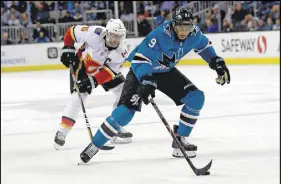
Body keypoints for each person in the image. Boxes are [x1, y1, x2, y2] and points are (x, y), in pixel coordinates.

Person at [79, 8, 231, 163]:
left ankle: (180, 141)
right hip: (142, 70)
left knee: (196, 98)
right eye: (180, 27)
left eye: (187, 27)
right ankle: (95, 144)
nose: (184, 31)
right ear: (173, 25)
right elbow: (140, 59)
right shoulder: (159, 35)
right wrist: (147, 80)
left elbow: (204, 46)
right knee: (126, 112)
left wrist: (216, 63)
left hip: (165, 72)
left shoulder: (194, 34)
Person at [54, 19, 133, 150]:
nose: (115, 39)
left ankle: (114, 127)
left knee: (124, 91)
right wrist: (67, 48)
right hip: (83, 66)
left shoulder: (122, 52)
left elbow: (111, 71)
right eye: (113, 35)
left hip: (103, 69)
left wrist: (94, 81)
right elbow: (71, 32)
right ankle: (62, 132)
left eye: (118, 36)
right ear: (107, 33)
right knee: (79, 98)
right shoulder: (94, 33)